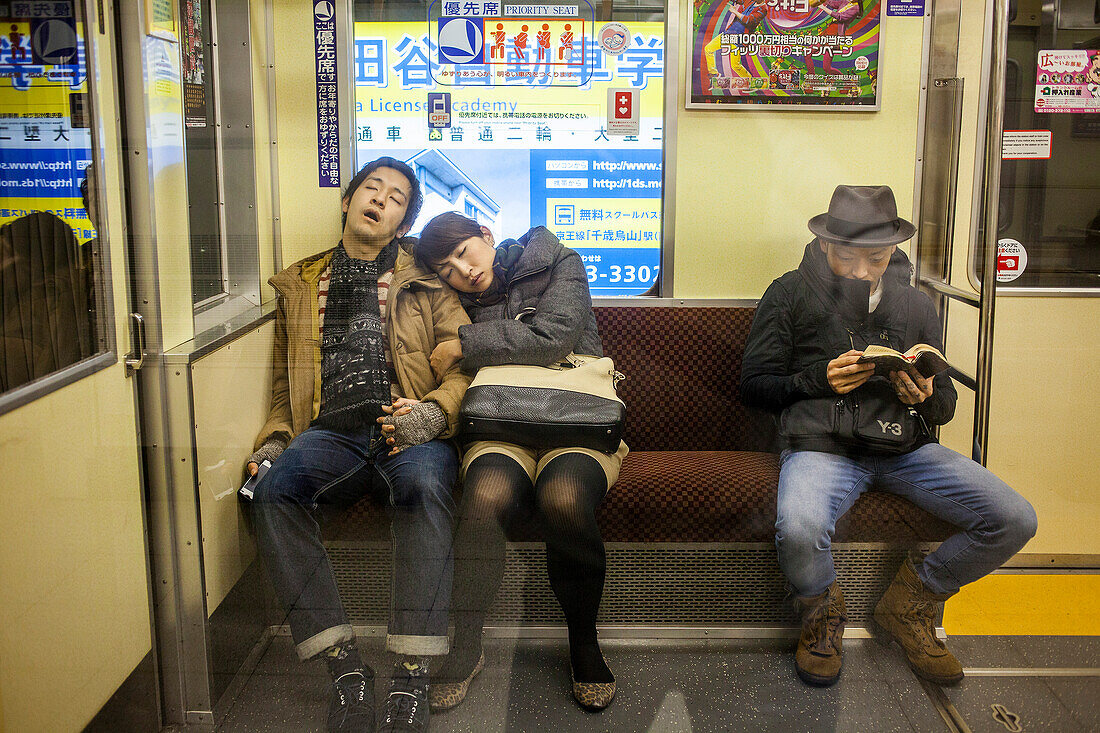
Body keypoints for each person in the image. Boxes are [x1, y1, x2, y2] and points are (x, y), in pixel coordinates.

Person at [740, 185, 1037, 687]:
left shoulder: (913, 304)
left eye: (875, 260)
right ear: (824, 246)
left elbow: (945, 406)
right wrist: (816, 380)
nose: (860, 272)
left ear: (893, 253)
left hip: (904, 448)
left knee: (1014, 519)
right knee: (798, 528)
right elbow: (754, 386)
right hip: (823, 447)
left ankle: (912, 601)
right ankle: (822, 614)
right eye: (846, 258)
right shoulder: (788, 293)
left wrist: (924, 395)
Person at [246, 157, 473, 732]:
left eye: (396, 198)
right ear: (347, 201)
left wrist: (432, 414)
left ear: (402, 225)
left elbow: (465, 367)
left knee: (425, 488)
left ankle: (411, 676)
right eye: (371, 188)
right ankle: (345, 669)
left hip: (410, 426)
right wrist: (274, 441)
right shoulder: (299, 285)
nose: (380, 199)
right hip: (331, 432)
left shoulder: (426, 282)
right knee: (271, 492)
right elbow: (283, 383)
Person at [413, 213, 628, 713]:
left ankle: (583, 641)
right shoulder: (449, 298)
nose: (462, 272)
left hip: (577, 418)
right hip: (498, 424)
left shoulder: (557, 262)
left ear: (487, 237)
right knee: (484, 499)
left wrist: (466, 345)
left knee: (564, 497)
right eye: (446, 269)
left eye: (465, 253)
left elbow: (554, 336)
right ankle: (466, 643)